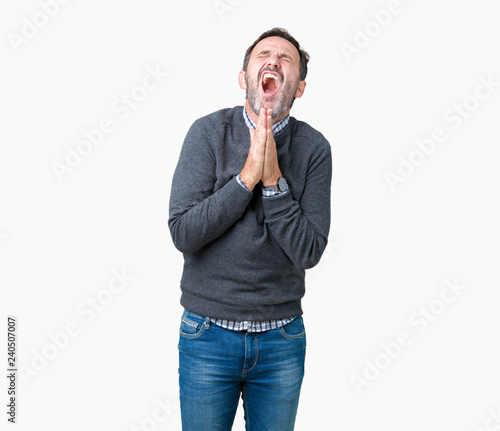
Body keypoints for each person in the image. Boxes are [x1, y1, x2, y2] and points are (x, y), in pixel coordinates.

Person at [168, 27, 332, 430]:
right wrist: (245, 179)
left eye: (286, 59)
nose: (273, 60)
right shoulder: (207, 133)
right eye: (263, 55)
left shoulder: (314, 149)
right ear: (244, 78)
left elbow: (309, 251)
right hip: (206, 335)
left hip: (282, 341)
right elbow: (183, 233)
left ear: (300, 87)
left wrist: (273, 181)